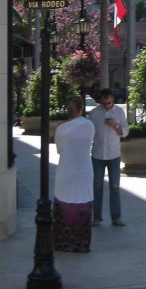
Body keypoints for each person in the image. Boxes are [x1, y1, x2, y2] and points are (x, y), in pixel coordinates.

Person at [53, 95, 95, 253]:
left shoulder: (61, 128)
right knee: (83, 201)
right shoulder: (89, 125)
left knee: (64, 203)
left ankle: (62, 242)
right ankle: (81, 243)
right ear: (81, 108)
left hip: (66, 169)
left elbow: (59, 150)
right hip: (84, 168)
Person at [89, 87, 128, 227]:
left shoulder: (119, 111)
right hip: (98, 155)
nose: (107, 106)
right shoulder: (94, 114)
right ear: (100, 101)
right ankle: (97, 217)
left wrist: (115, 125)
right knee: (97, 186)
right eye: (104, 103)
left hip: (113, 154)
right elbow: (89, 134)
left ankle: (116, 217)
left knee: (115, 187)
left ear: (113, 100)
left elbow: (125, 132)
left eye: (109, 103)